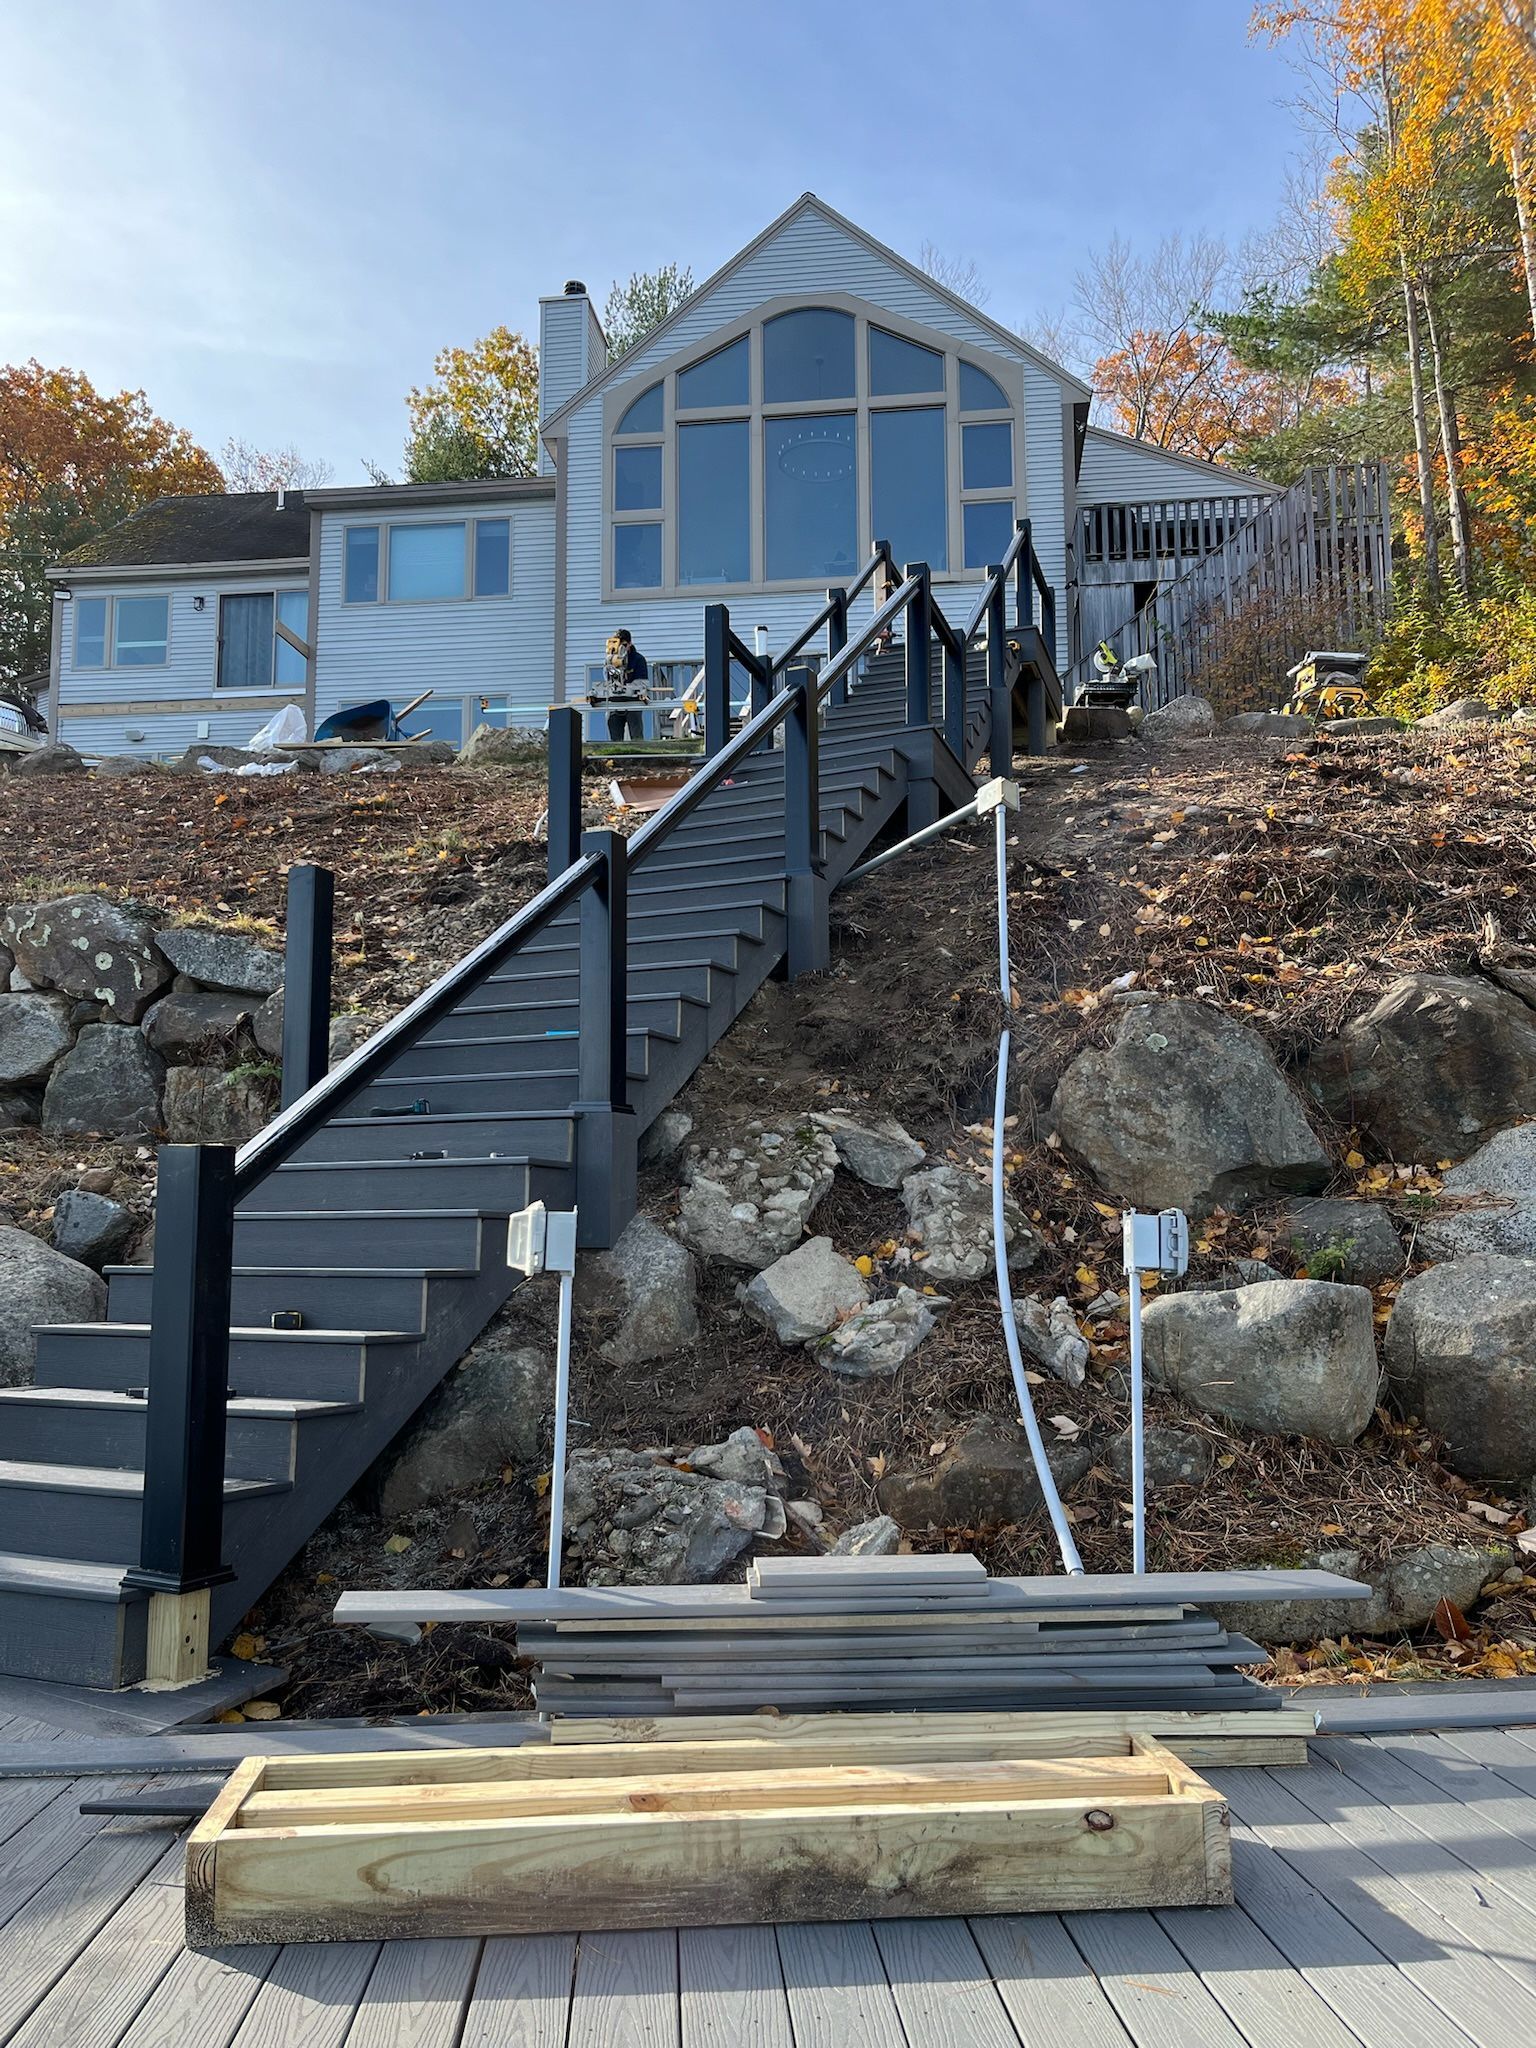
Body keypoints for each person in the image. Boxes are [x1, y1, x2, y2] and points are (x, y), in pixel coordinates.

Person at [597, 629, 649, 741]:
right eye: (619, 645)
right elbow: (608, 680)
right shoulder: (609, 660)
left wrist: (628, 687)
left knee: (636, 734)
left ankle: (639, 757)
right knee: (615, 736)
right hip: (615, 701)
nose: (622, 649)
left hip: (632, 701)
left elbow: (641, 683)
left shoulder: (638, 659)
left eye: (624, 645)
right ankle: (616, 757)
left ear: (630, 644)